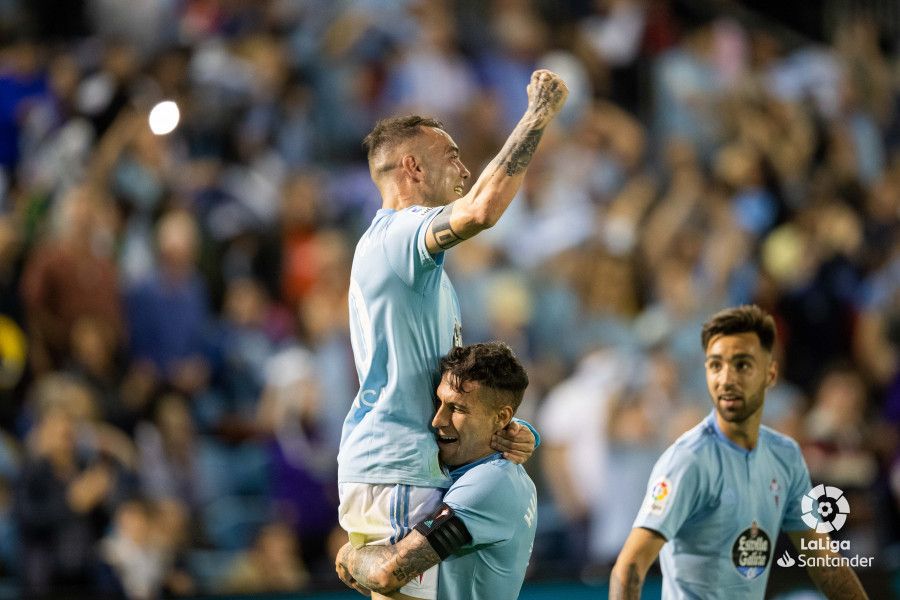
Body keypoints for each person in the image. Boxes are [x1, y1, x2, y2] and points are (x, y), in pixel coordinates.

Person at [337, 69, 567, 600]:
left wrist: (499, 430)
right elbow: (483, 210)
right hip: (397, 464)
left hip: (406, 463)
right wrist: (537, 115)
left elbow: (455, 387)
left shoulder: (417, 267)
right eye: (453, 156)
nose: (464, 168)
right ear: (412, 166)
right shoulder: (398, 237)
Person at [610, 305, 869, 599]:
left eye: (742, 364)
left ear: (770, 373)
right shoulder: (688, 460)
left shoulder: (786, 456)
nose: (726, 378)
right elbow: (629, 566)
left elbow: (826, 564)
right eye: (715, 365)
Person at [336, 342, 536, 600]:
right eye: (439, 402)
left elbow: (386, 574)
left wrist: (349, 555)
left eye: (457, 408)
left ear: (501, 418)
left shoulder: (490, 485)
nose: (437, 420)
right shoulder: (493, 470)